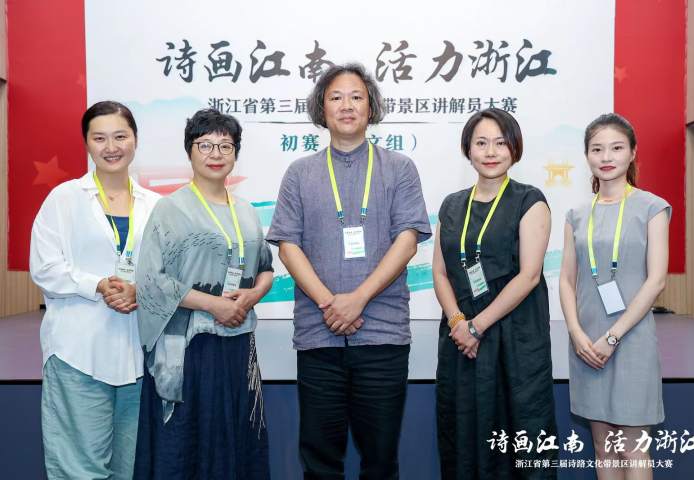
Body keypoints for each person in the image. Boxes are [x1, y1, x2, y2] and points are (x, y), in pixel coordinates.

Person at [266, 63, 431, 480]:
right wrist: (330, 303)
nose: (346, 105)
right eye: (336, 97)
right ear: (321, 108)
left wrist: (357, 299)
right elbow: (288, 246)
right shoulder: (300, 173)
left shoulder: (400, 168)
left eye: (356, 96)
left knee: (381, 460)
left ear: (370, 107)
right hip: (318, 335)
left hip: (382, 334)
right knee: (320, 460)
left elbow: (407, 240)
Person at [133, 109, 273, 479]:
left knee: (237, 440)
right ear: (190, 151)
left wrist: (252, 296)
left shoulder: (246, 211)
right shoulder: (170, 209)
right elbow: (151, 280)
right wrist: (212, 304)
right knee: (186, 445)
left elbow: (266, 268)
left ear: (236, 153)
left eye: (225, 146)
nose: (216, 154)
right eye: (205, 145)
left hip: (237, 345)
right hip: (189, 349)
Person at [29, 101, 161, 479]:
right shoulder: (64, 199)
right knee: (79, 470)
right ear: (86, 143)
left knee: (131, 468)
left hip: (138, 356)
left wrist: (140, 290)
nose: (111, 147)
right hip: (78, 353)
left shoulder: (156, 205)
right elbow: (45, 268)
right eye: (99, 138)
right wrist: (98, 284)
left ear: (135, 139)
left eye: (120, 136)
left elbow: (168, 271)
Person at [433, 108, 558, 479]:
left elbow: (529, 276)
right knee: (463, 432)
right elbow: (440, 272)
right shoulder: (451, 205)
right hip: (461, 340)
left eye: (501, 143)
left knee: (522, 433)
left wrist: (477, 326)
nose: (491, 152)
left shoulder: (529, 200)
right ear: (468, 149)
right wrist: (459, 322)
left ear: (514, 148)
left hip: (515, 338)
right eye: (481, 143)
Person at [560, 113, 670, 480]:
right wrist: (576, 334)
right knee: (603, 445)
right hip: (587, 344)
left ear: (633, 153)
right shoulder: (577, 215)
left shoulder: (652, 207)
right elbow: (566, 280)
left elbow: (656, 281)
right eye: (597, 149)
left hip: (631, 339)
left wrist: (612, 337)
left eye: (617, 148)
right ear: (587, 156)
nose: (606, 156)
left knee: (632, 447)